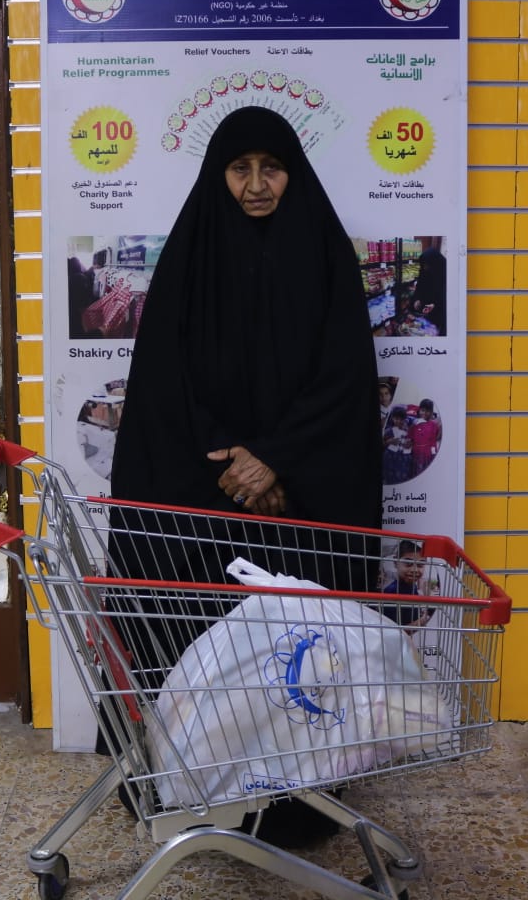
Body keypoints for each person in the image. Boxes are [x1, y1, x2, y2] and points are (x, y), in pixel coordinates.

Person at [104, 105, 382, 847]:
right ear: (218, 174)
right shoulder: (192, 255)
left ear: (294, 173)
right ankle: (189, 789)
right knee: (202, 642)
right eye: (240, 168)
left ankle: (299, 806)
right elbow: (165, 382)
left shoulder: (324, 253)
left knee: (296, 655)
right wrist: (235, 463)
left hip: (300, 498)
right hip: (205, 495)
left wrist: (278, 459)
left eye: (272, 168)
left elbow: (345, 380)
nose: (257, 184)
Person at [411, 236, 448, 336]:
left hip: (438, 313)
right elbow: (419, 286)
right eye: (423, 265)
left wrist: (435, 305)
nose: (425, 268)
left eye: (427, 265)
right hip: (424, 310)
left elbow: (446, 296)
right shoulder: (424, 270)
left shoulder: (445, 272)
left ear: (435, 263)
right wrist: (417, 299)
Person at [411, 398, 441, 477]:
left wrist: (433, 453)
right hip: (416, 453)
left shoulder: (433, 425)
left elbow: (434, 440)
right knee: (416, 473)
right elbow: (410, 436)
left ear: (431, 412)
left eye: (427, 411)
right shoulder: (415, 422)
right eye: (423, 410)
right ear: (419, 410)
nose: (424, 413)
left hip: (427, 454)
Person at [383, 405, 413, 484]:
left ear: (405, 419)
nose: (399, 421)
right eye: (396, 419)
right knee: (389, 474)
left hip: (403, 457)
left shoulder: (408, 430)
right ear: (392, 418)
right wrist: (389, 441)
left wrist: (409, 444)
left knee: (401, 475)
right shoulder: (389, 430)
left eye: (401, 419)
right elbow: (383, 443)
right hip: (390, 456)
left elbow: (412, 442)